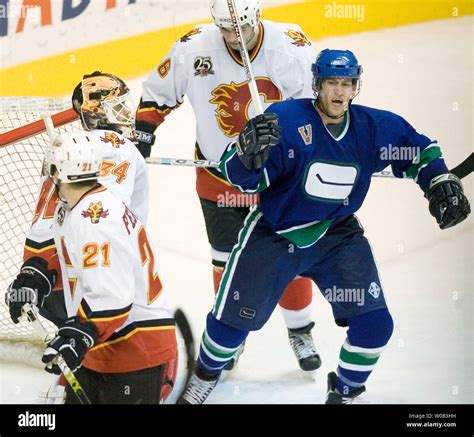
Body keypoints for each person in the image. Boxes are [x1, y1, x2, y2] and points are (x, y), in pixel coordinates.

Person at [177, 49, 471, 404]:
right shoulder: (284, 118)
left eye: (347, 83)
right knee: (231, 323)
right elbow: (241, 179)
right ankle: (206, 372)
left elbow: (419, 151)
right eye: (332, 82)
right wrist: (245, 153)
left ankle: (345, 392)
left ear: (355, 87)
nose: (339, 91)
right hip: (275, 233)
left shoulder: (371, 128)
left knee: (375, 326)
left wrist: (438, 179)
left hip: (337, 236)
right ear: (317, 84)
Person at [135, 0, 320, 374]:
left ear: (258, 19)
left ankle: (300, 331)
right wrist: (144, 130)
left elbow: (316, 111)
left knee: (292, 254)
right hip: (220, 176)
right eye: (225, 30)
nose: (234, 38)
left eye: (242, 29)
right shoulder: (193, 48)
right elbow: (158, 92)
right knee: (227, 259)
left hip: (279, 177)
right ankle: (231, 334)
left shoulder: (291, 47)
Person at [6, 72, 176, 403]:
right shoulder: (103, 157)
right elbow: (67, 216)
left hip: (122, 321)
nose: (127, 112)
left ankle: (80, 337)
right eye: (117, 105)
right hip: (101, 296)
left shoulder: (71, 165)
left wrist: (34, 272)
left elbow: (60, 222)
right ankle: (80, 340)